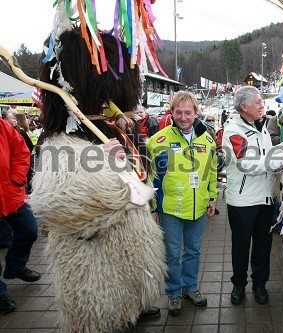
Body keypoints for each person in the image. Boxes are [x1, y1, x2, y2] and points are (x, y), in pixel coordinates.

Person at [29, 27, 166, 332]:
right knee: (98, 311)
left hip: (129, 244)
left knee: (130, 294)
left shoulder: (113, 129)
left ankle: (135, 308)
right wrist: (112, 168)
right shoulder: (60, 141)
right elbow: (63, 202)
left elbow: (142, 173)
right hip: (93, 259)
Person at [222, 86, 283, 306]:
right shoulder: (233, 131)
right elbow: (250, 164)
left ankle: (260, 284)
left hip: (266, 198)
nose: (262, 106)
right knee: (241, 246)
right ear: (244, 107)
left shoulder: (263, 127)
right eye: (257, 102)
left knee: (263, 245)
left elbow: (267, 156)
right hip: (243, 201)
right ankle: (239, 284)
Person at [147, 91, 218, 317]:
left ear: (196, 113)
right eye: (179, 112)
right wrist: (153, 207)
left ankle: (190, 288)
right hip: (170, 210)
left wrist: (212, 197)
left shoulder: (207, 139)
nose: (183, 116)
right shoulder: (157, 141)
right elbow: (151, 178)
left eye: (188, 112)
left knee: (194, 251)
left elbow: (212, 171)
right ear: (172, 112)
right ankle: (173, 293)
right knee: (171, 253)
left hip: (198, 208)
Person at [0, 117, 40, 314]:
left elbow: (21, 151)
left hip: (10, 193)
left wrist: (16, 180)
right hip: (9, 191)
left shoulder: (3, 127)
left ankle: (15, 266)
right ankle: (0, 293)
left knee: (29, 229)